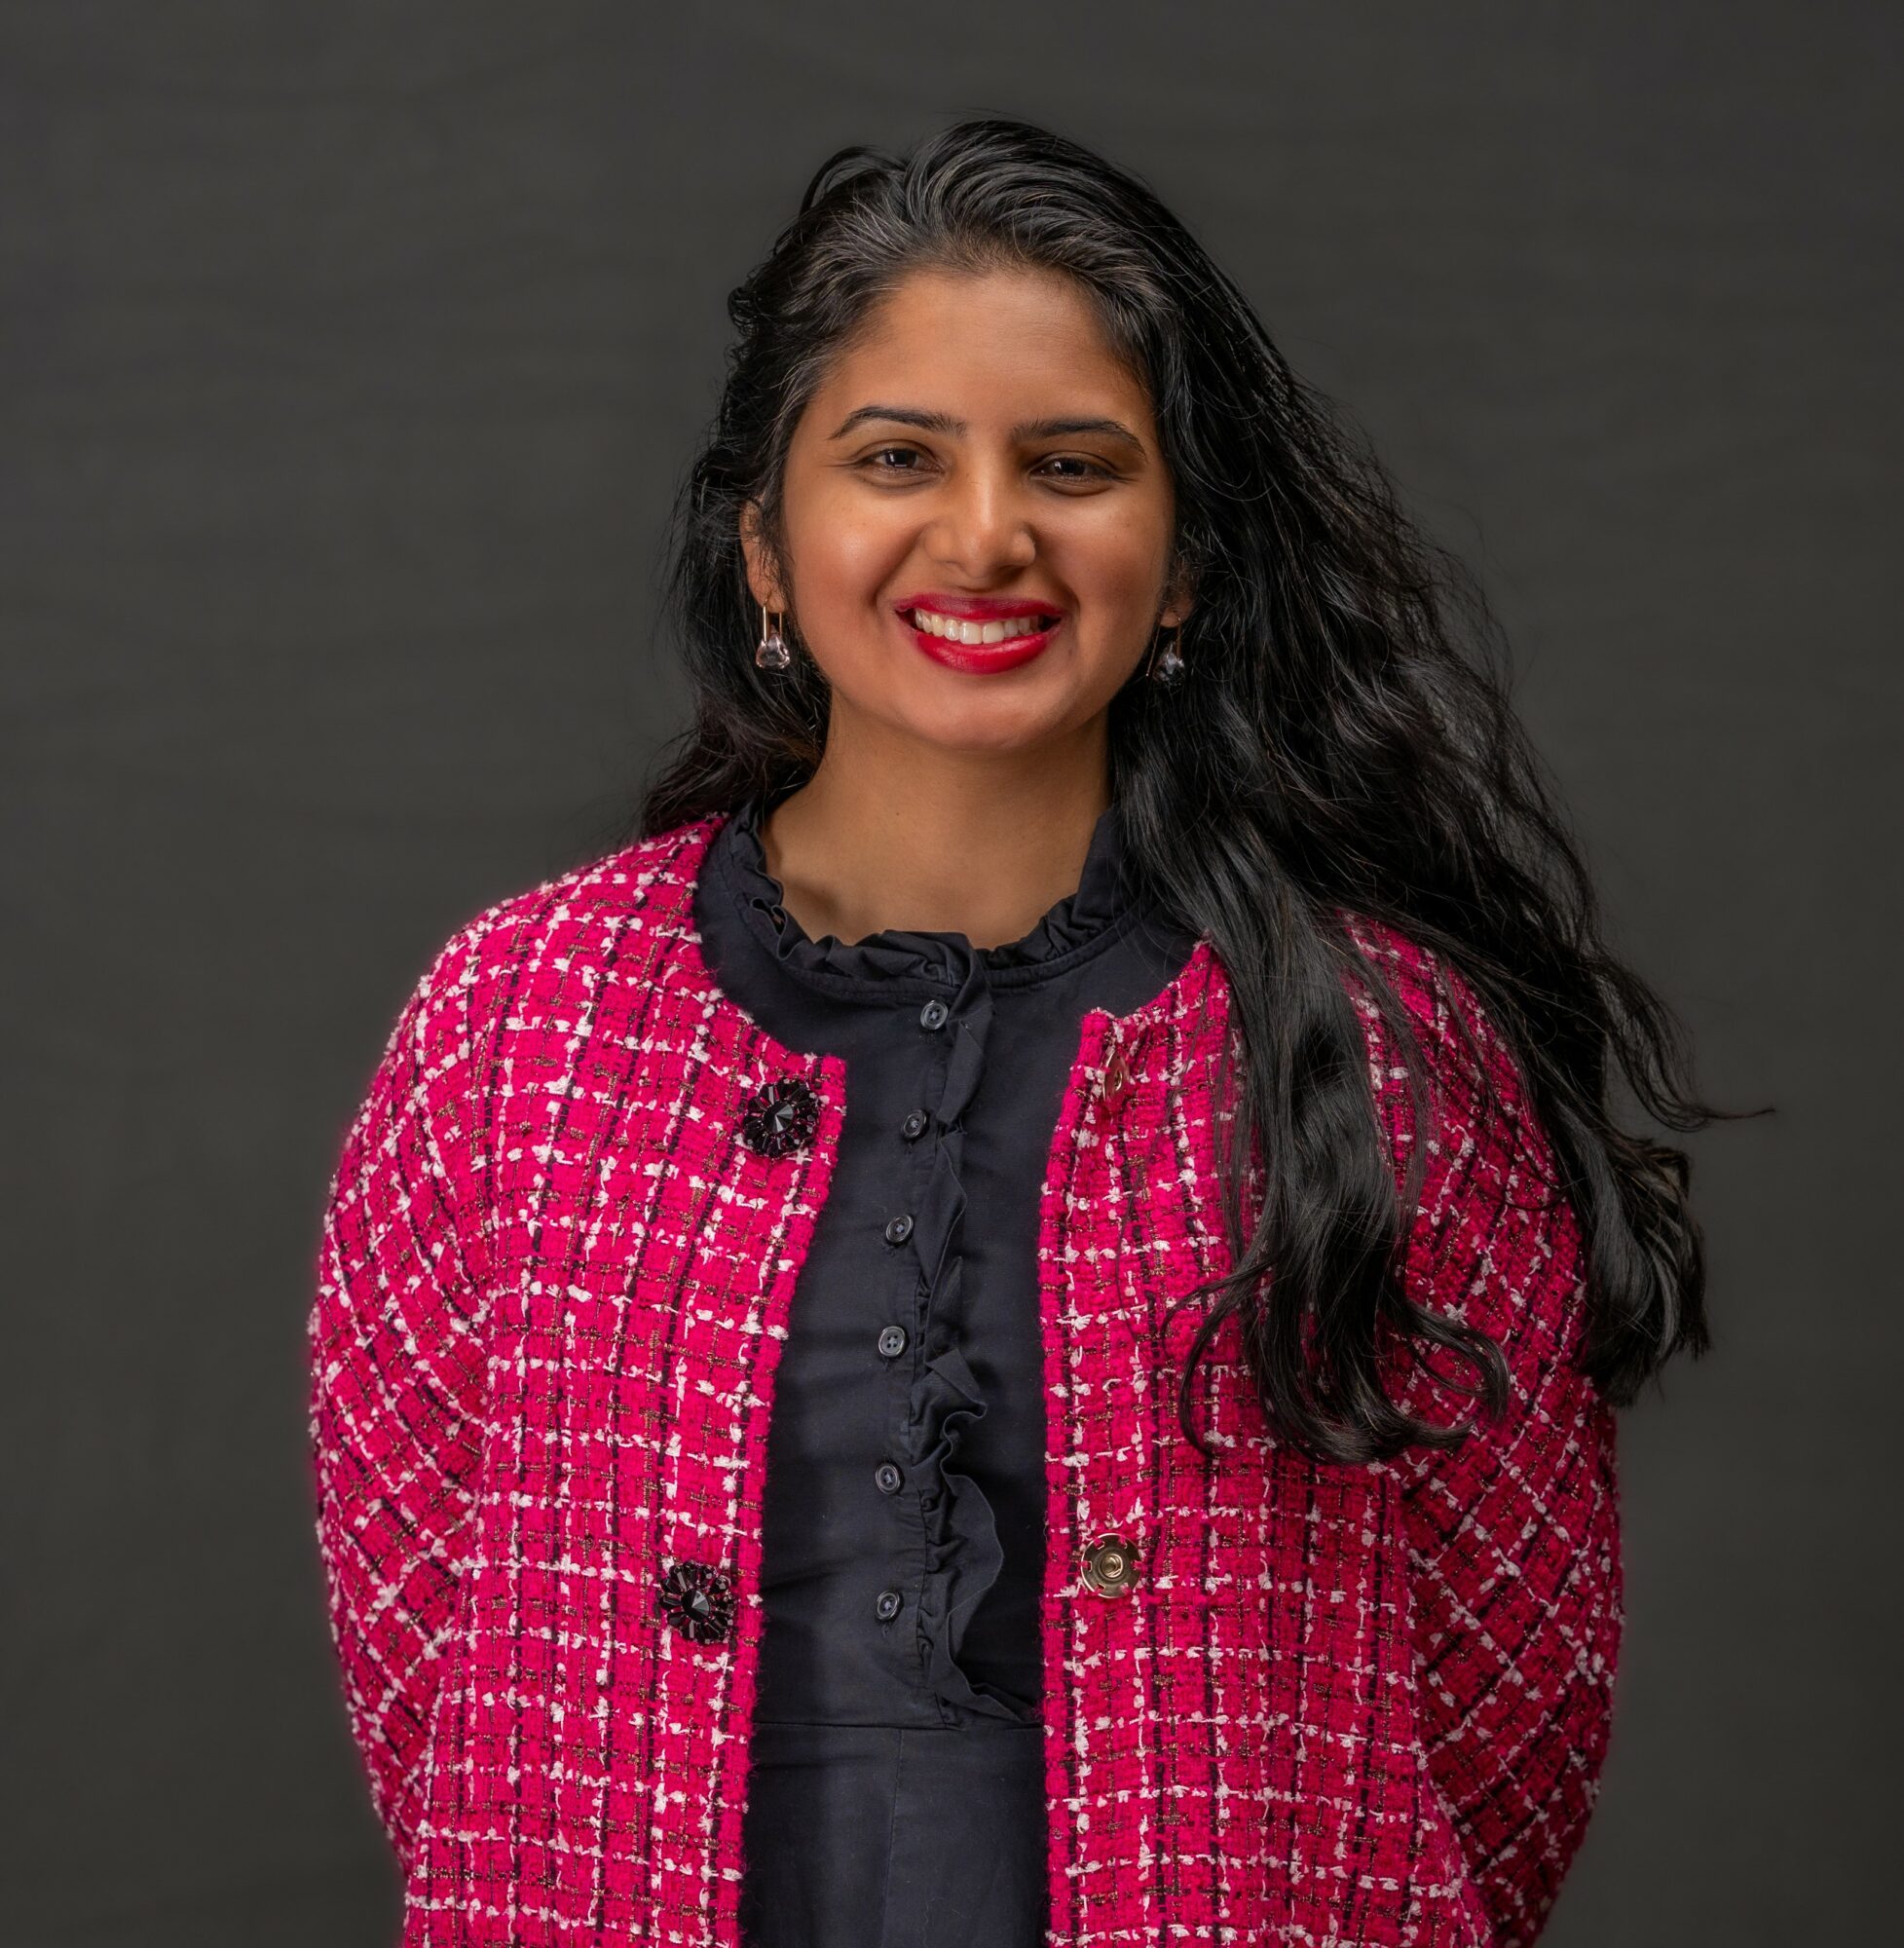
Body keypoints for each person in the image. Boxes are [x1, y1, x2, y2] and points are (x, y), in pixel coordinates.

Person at [307, 117, 1723, 1948]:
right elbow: (429, 1655)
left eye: (1074, 464)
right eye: (897, 457)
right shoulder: (521, 1023)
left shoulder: (1379, 1046)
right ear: (765, 544)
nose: (986, 536)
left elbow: (1507, 1705)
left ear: (1188, 560)